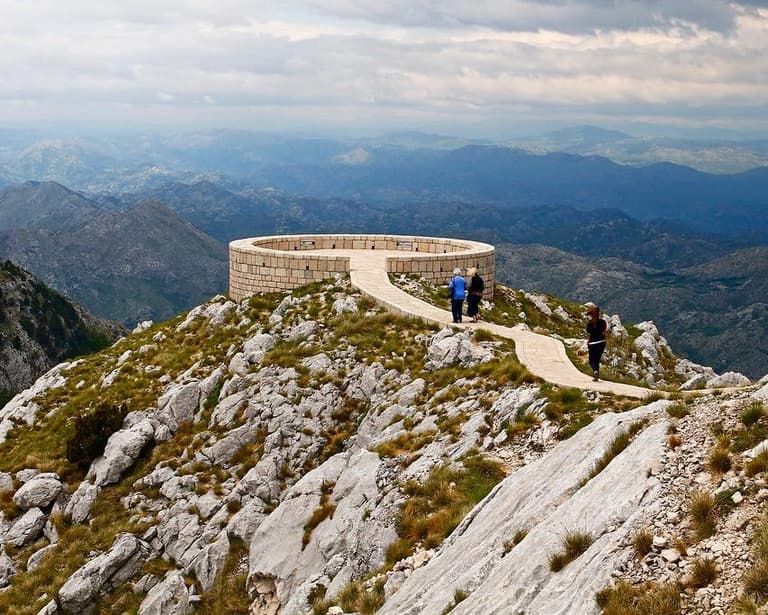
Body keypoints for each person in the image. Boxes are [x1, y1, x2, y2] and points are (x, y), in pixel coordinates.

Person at [586, 305, 607, 381]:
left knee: (592, 361)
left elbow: (588, 331)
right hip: (602, 342)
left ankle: (595, 371)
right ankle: (596, 376)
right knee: (597, 360)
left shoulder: (591, 323)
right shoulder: (603, 322)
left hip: (592, 344)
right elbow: (604, 330)